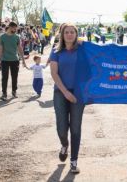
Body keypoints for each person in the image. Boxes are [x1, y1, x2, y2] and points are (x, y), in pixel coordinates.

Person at [49, 23, 85, 174]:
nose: (69, 34)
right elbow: (54, 74)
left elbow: (101, 55)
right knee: (62, 128)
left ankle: (74, 162)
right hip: (61, 93)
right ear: (62, 35)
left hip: (78, 94)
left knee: (75, 128)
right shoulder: (56, 51)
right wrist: (66, 93)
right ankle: (64, 144)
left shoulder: (83, 49)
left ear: (76, 34)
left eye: (72, 32)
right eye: (67, 32)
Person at [0, 22, 26, 100]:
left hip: (15, 60)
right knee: (4, 77)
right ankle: (4, 94)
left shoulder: (17, 37)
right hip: (5, 60)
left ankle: (14, 91)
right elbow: (0, 48)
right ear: (10, 27)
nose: (15, 30)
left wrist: (23, 60)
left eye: (16, 28)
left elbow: (20, 48)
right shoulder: (2, 37)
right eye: (14, 28)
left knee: (14, 77)